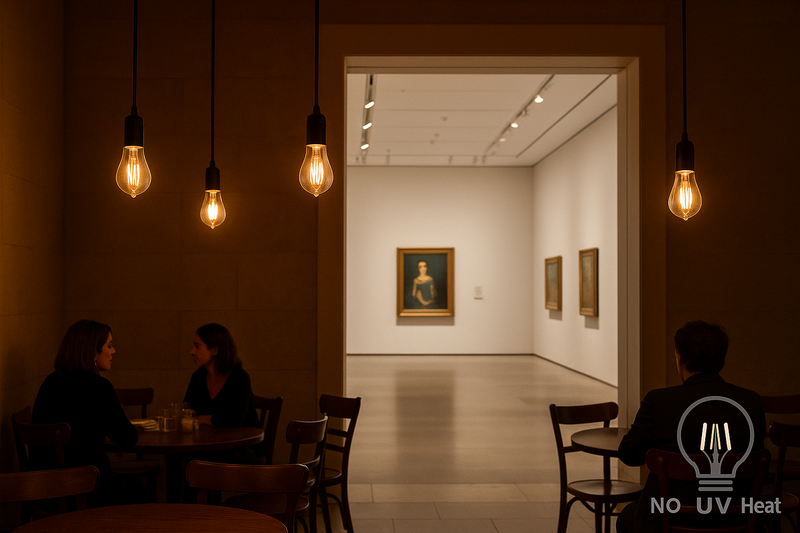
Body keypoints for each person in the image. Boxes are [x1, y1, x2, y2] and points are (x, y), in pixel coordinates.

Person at [617, 321, 766, 533]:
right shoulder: (751, 402)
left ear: (680, 359)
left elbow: (629, 455)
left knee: (626, 517)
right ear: (721, 359)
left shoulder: (660, 401)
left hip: (669, 520)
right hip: (736, 519)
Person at [32, 319, 138, 504]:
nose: (113, 351)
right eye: (109, 346)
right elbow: (127, 439)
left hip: (44, 490)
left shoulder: (50, 382)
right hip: (86, 490)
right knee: (137, 489)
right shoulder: (99, 388)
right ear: (93, 352)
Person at [183, 323, 264, 462]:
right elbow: (187, 411)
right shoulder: (198, 377)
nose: (192, 351)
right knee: (176, 455)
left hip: (242, 448)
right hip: (210, 444)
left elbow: (234, 419)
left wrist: (203, 419)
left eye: (197, 346)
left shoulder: (239, 377)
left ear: (214, 350)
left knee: (201, 458)